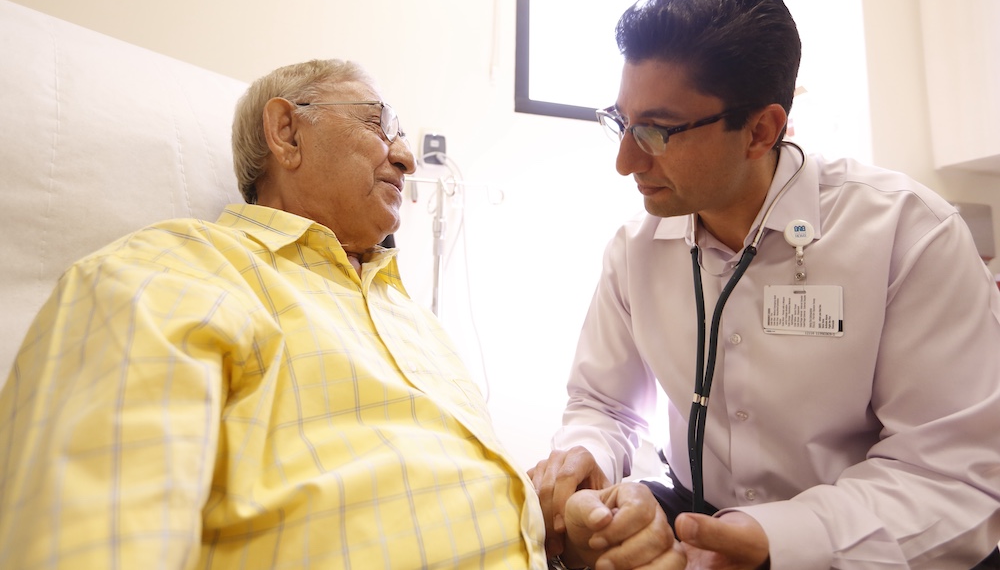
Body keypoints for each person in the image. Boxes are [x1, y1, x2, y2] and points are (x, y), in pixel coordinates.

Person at [0, 59, 676, 570]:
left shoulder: (409, 318)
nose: (409, 158)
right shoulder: (169, 271)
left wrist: (569, 528)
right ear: (286, 130)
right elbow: (93, 540)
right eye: (382, 124)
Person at [530, 0, 1000, 569]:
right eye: (621, 123)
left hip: (867, 538)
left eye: (656, 131)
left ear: (761, 131)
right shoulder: (635, 249)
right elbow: (603, 402)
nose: (625, 162)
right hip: (697, 515)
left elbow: (952, 473)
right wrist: (585, 452)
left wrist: (777, 540)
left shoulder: (907, 234)